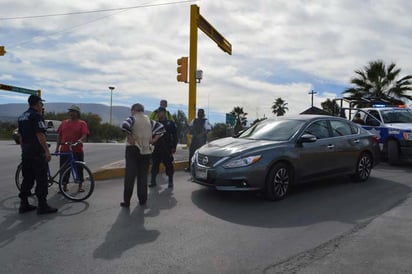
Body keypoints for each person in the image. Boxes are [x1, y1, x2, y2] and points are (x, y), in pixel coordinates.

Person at [17, 95, 58, 215]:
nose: (42, 106)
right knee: (41, 179)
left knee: (28, 179)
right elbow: (40, 134)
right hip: (36, 152)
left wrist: (23, 149)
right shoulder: (36, 116)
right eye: (41, 104)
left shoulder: (22, 116)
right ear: (37, 103)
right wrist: (46, 150)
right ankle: (42, 206)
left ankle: (23, 204)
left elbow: (20, 136)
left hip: (26, 152)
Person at [120, 103, 164, 207]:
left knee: (130, 177)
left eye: (132, 110)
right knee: (143, 177)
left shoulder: (133, 118)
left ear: (134, 110)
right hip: (146, 152)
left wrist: (129, 136)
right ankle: (142, 200)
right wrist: (153, 140)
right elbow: (161, 128)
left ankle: (127, 201)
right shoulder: (150, 121)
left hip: (133, 149)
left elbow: (124, 125)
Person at [55, 105, 90, 192]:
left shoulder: (82, 123)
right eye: (70, 111)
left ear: (77, 113)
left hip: (77, 150)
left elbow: (84, 134)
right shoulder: (63, 123)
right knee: (64, 169)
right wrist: (57, 148)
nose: (71, 113)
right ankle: (64, 186)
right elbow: (59, 136)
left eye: (73, 111)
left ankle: (80, 186)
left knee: (79, 168)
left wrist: (80, 140)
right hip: (64, 150)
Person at [149, 107, 178, 188]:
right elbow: (152, 135)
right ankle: (153, 181)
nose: (158, 114)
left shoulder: (170, 123)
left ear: (164, 113)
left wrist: (174, 146)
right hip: (157, 147)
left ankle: (170, 181)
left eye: (159, 112)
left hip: (167, 147)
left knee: (168, 165)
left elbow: (175, 136)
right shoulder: (155, 123)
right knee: (155, 164)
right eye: (157, 112)